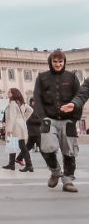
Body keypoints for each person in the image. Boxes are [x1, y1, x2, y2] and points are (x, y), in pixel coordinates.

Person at [34, 50, 81, 193]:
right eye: (55, 61)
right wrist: (43, 118)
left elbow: (79, 97)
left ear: (64, 62)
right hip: (50, 119)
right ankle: (55, 171)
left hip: (68, 120)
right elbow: (37, 98)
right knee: (46, 147)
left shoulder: (72, 77)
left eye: (60, 61)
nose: (58, 64)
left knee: (69, 152)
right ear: (51, 62)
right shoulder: (42, 78)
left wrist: (74, 119)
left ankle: (68, 180)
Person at [2, 88, 33, 172]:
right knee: (14, 145)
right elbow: (30, 110)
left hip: (14, 125)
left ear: (13, 94)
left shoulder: (12, 103)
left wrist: (9, 129)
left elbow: (12, 117)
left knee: (21, 146)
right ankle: (11, 164)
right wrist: (23, 119)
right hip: (21, 125)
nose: (8, 93)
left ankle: (29, 165)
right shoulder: (21, 102)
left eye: (9, 92)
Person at [17, 98, 41, 163]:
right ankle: (51, 164)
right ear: (33, 102)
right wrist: (41, 121)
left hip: (32, 131)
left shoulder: (32, 109)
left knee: (28, 146)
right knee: (42, 148)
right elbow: (30, 120)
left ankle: (19, 158)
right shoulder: (32, 109)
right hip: (35, 131)